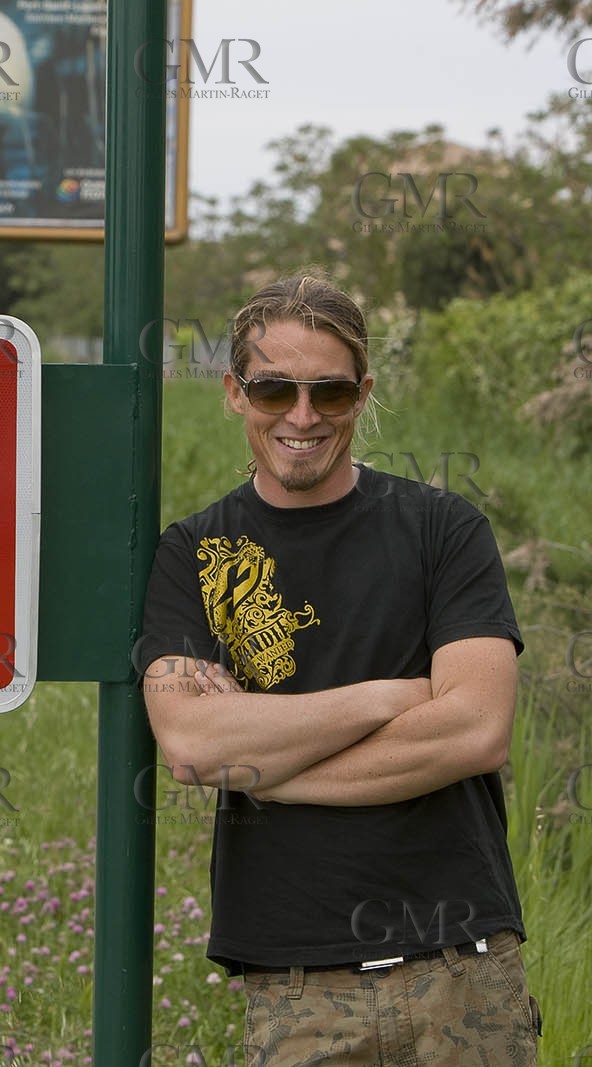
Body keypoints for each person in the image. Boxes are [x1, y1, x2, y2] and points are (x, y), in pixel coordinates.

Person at [138, 273, 541, 1063]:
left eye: (328, 392)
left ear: (362, 394)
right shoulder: (192, 553)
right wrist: (391, 695)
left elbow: (474, 729)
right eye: (273, 388)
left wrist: (261, 760)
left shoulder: (445, 530)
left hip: (463, 965)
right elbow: (189, 740)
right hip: (296, 978)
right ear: (233, 391)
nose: (300, 415)